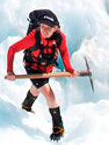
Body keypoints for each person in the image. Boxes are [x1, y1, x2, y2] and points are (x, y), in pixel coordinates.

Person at [5, 10, 79, 142]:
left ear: (55, 29)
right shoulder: (34, 37)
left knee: (38, 86)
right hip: (32, 67)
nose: (44, 31)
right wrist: (10, 71)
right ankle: (58, 127)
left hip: (46, 68)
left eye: (48, 28)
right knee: (48, 92)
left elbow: (64, 52)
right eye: (42, 27)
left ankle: (27, 105)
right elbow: (12, 49)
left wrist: (70, 69)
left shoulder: (59, 37)